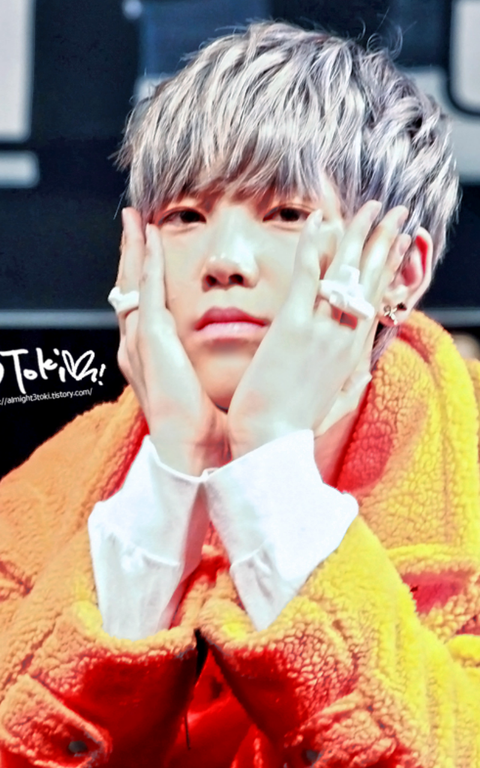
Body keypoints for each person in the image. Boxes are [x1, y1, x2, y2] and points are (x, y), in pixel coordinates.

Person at [1, 20, 479, 768]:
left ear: (402, 270)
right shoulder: (43, 492)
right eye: (185, 218)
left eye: (286, 214)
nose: (224, 259)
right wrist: (171, 476)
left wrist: (270, 467)